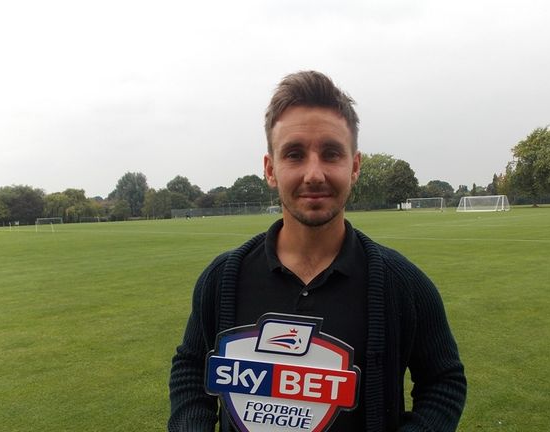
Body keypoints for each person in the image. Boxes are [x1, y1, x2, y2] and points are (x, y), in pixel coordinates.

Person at [168, 71, 466, 431]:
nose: (314, 173)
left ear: (354, 166)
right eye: (294, 154)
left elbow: (443, 380)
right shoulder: (223, 279)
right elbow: (190, 367)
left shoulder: (401, 283)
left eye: (331, 154)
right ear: (270, 169)